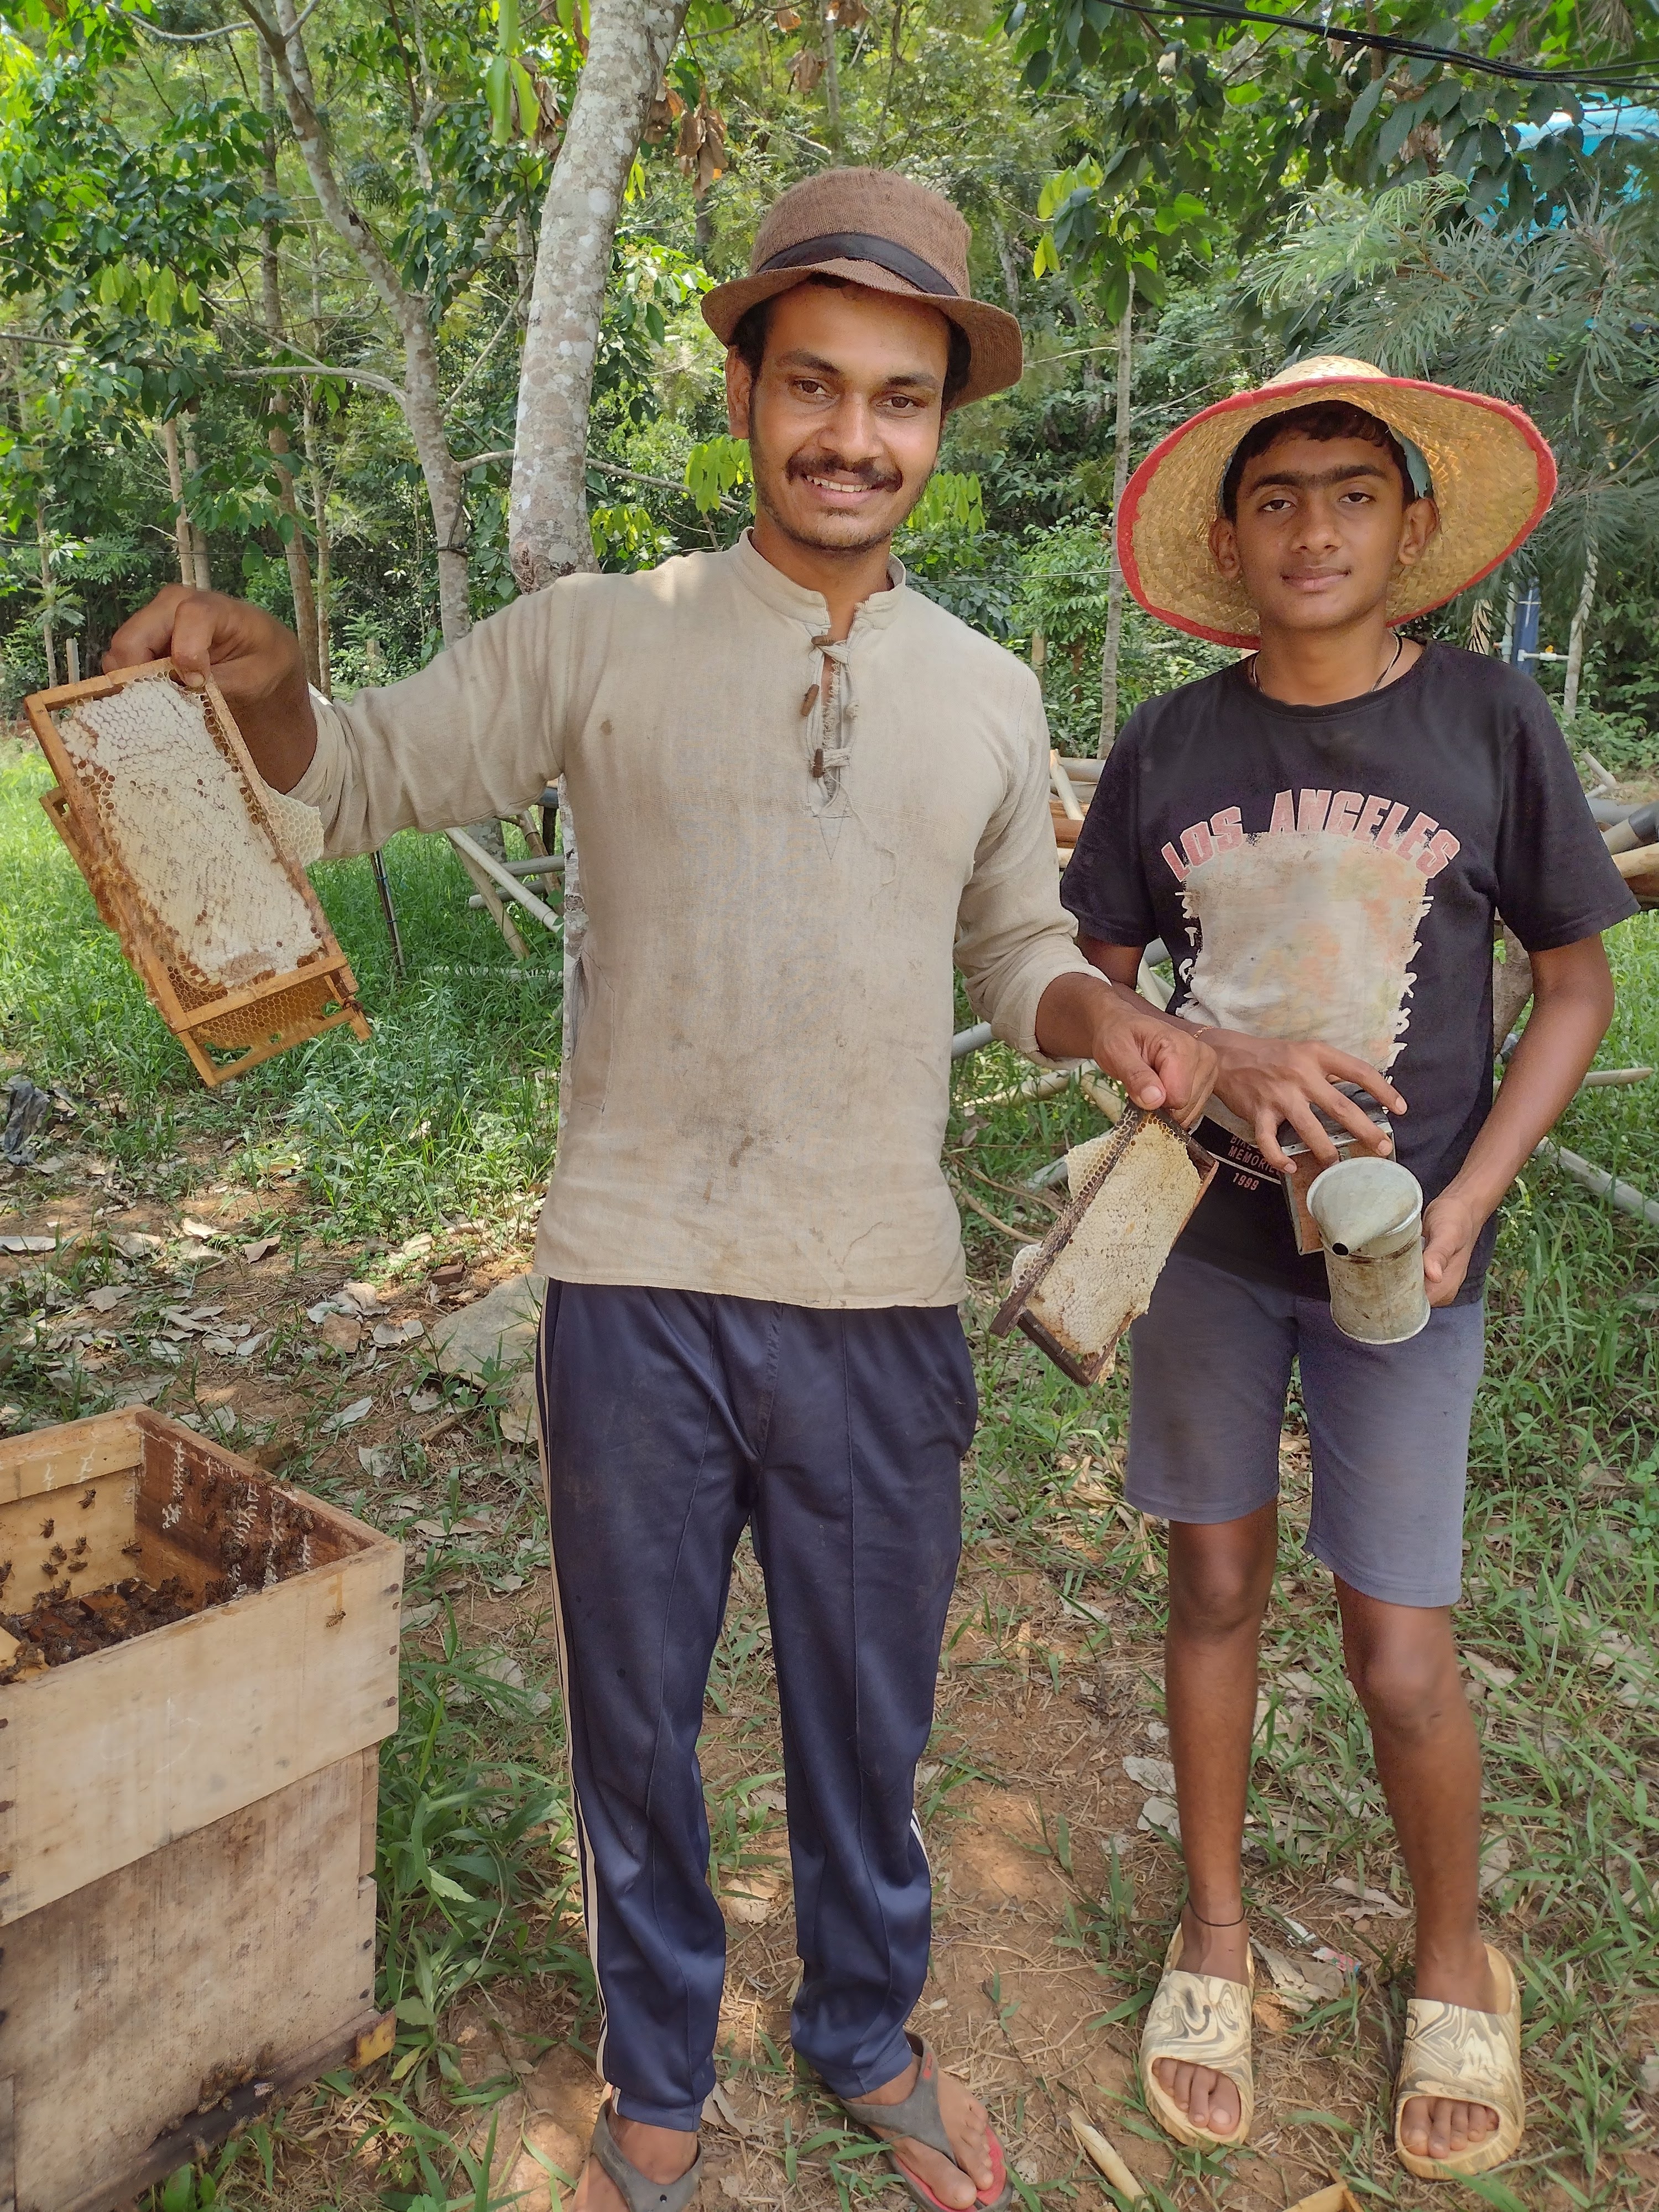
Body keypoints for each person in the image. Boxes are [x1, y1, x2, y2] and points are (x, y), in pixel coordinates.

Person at [107, 169, 1214, 2212]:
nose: (853, 435)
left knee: (869, 1724)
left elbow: (1015, 949)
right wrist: (265, 679)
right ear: (744, 393)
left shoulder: (987, 688)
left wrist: (1107, 1021)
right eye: (814, 384)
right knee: (634, 1723)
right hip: (635, 1285)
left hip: (878, 1290)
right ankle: (658, 2071)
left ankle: (866, 2032)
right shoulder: (604, 634)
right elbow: (356, 770)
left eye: (899, 398)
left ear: (943, 424)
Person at [1061, 357, 1637, 2182]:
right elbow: (1092, 985)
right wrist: (1192, 1061)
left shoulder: (1487, 722)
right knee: (1215, 1583)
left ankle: (1456, 1955)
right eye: (1278, 498)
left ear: (1411, 525)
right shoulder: (1171, 745)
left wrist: (1471, 1197)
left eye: (1352, 493)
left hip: (1411, 1261)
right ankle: (1216, 1930)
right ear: (1231, 541)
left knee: (1397, 1649)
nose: (1314, 528)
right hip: (1211, 1248)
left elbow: (1574, 984)